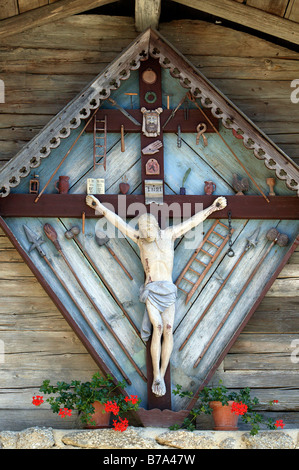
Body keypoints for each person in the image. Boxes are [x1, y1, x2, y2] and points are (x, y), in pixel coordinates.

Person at [86, 195, 227, 397]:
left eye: (148, 229)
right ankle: (156, 378)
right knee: (158, 328)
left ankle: (161, 373)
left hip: (168, 289)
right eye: (143, 230)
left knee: (169, 329)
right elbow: (119, 223)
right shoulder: (140, 240)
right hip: (151, 290)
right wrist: (100, 207)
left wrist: (213, 208)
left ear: (154, 226)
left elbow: (192, 222)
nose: (146, 233)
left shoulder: (169, 234)